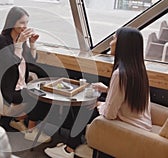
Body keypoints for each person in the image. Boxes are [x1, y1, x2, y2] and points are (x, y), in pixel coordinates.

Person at [44, 27, 152, 158]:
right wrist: (107, 89)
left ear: (123, 45)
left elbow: (110, 114)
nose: (111, 43)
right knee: (90, 106)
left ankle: (69, 150)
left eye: (114, 39)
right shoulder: (139, 70)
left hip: (128, 126)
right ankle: (82, 144)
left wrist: (99, 104)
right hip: (142, 125)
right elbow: (129, 95)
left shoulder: (120, 74)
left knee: (86, 108)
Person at [0, 6, 51, 143]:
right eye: (22, 22)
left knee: (46, 95)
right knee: (40, 98)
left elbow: (31, 62)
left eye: (27, 23)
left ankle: (18, 119)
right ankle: (30, 130)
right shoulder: (1, 41)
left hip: (21, 84)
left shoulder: (21, 39)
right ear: (12, 22)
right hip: (8, 87)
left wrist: (32, 44)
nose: (25, 26)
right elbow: (10, 63)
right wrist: (19, 44)